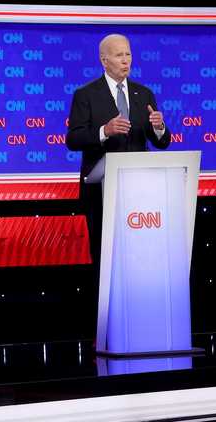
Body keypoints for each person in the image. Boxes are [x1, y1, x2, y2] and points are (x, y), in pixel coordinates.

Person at [66, 33, 170, 267]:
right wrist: (105, 130)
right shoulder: (86, 95)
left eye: (128, 54)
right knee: (105, 256)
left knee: (138, 254)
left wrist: (160, 127)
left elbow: (162, 142)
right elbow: (73, 139)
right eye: (119, 55)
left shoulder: (144, 93)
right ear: (104, 60)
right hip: (100, 192)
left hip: (140, 191)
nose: (126, 60)